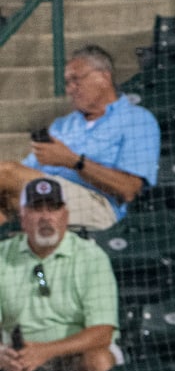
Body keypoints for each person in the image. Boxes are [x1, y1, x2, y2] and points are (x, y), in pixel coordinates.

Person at [0, 45, 159, 231]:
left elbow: (130, 190)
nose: (70, 89)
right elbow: (24, 172)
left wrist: (74, 161)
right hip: (45, 195)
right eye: (67, 83)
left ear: (104, 77)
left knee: (5, 173)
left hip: (98, 206)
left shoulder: (137, 119)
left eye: (76, 80)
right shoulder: (62, 125)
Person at [0, 178, 121, 371]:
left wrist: (45, 351)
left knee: (99, 360)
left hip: (75, 354)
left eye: (54, 208)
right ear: (23, 217)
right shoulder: (2, 256)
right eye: (37, 209)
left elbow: (102, 333)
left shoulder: (91, 257)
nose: (46, 217)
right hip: (17, 355)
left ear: (65, 215)